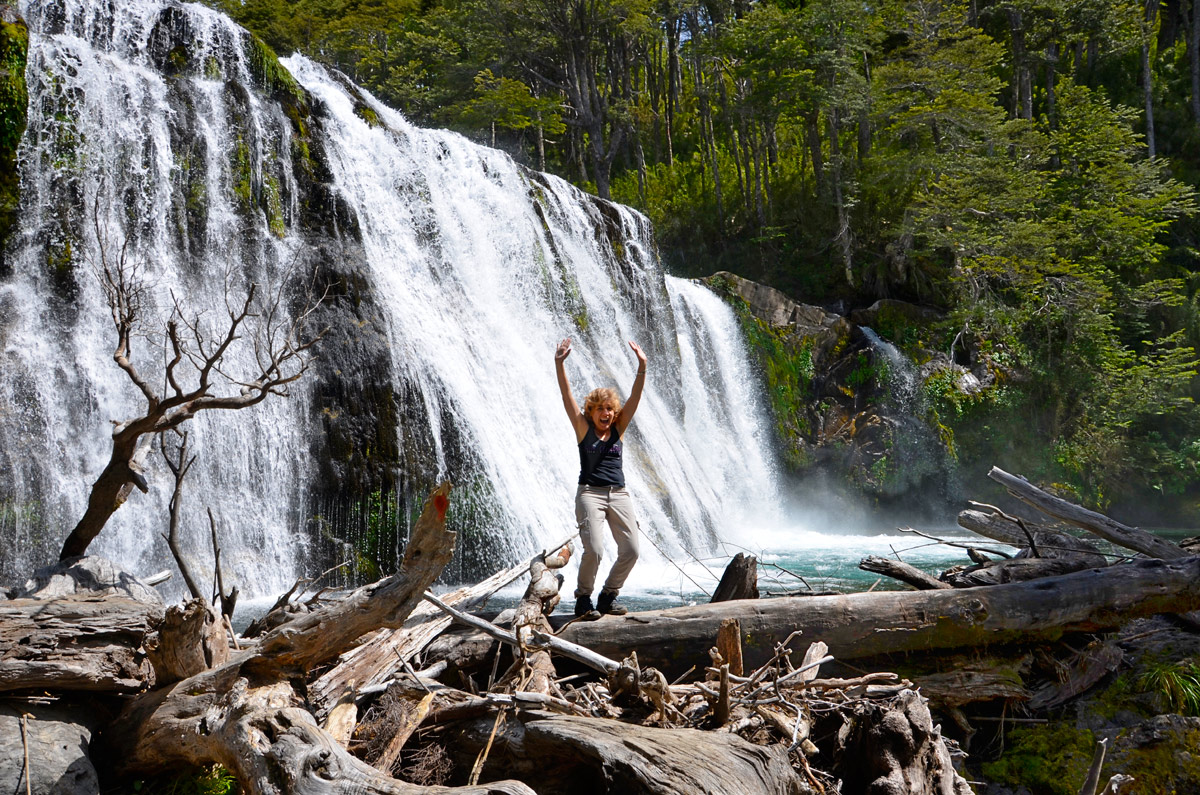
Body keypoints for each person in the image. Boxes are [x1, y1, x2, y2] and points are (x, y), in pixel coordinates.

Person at [554, 337, 647, 617]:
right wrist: (559, 364)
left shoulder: (618, 429)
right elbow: (566, 396)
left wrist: (642, 367)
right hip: (590, 494)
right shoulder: (583, 429)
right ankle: (584, 600)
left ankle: (608, 595)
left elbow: (635, 397)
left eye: (609, 409)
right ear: (591, 412)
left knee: (631, 550)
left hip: (619, 493)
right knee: (594, 550)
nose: (605, 414)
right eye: (600, 409)